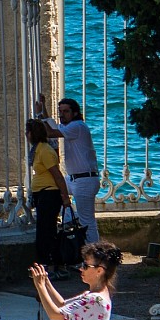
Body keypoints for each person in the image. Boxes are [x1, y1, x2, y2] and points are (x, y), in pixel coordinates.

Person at [56, 98, 102, 241]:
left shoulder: (77, 126)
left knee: (88, 222)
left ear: (75, 113)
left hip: (84, 180)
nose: (62, 114)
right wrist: (43, 110)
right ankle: (71, 216)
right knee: (52, 188)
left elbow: (50, 131)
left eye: (66, 111)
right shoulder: (69, 127)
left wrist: (38, 120)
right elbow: (53, 128)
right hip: (74, 179)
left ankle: (96, 255)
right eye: (60, 111)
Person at [27, 118, 65, 269]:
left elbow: (57, 175)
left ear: (33, 134)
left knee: (47, 232)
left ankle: (52, 263)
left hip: (49, 194)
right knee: (44, 231)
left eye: (28, 132)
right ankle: (46, 262)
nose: (26, 135)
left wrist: (65, 197)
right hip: (42, 194)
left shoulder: (45, 150)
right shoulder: (37, 149)